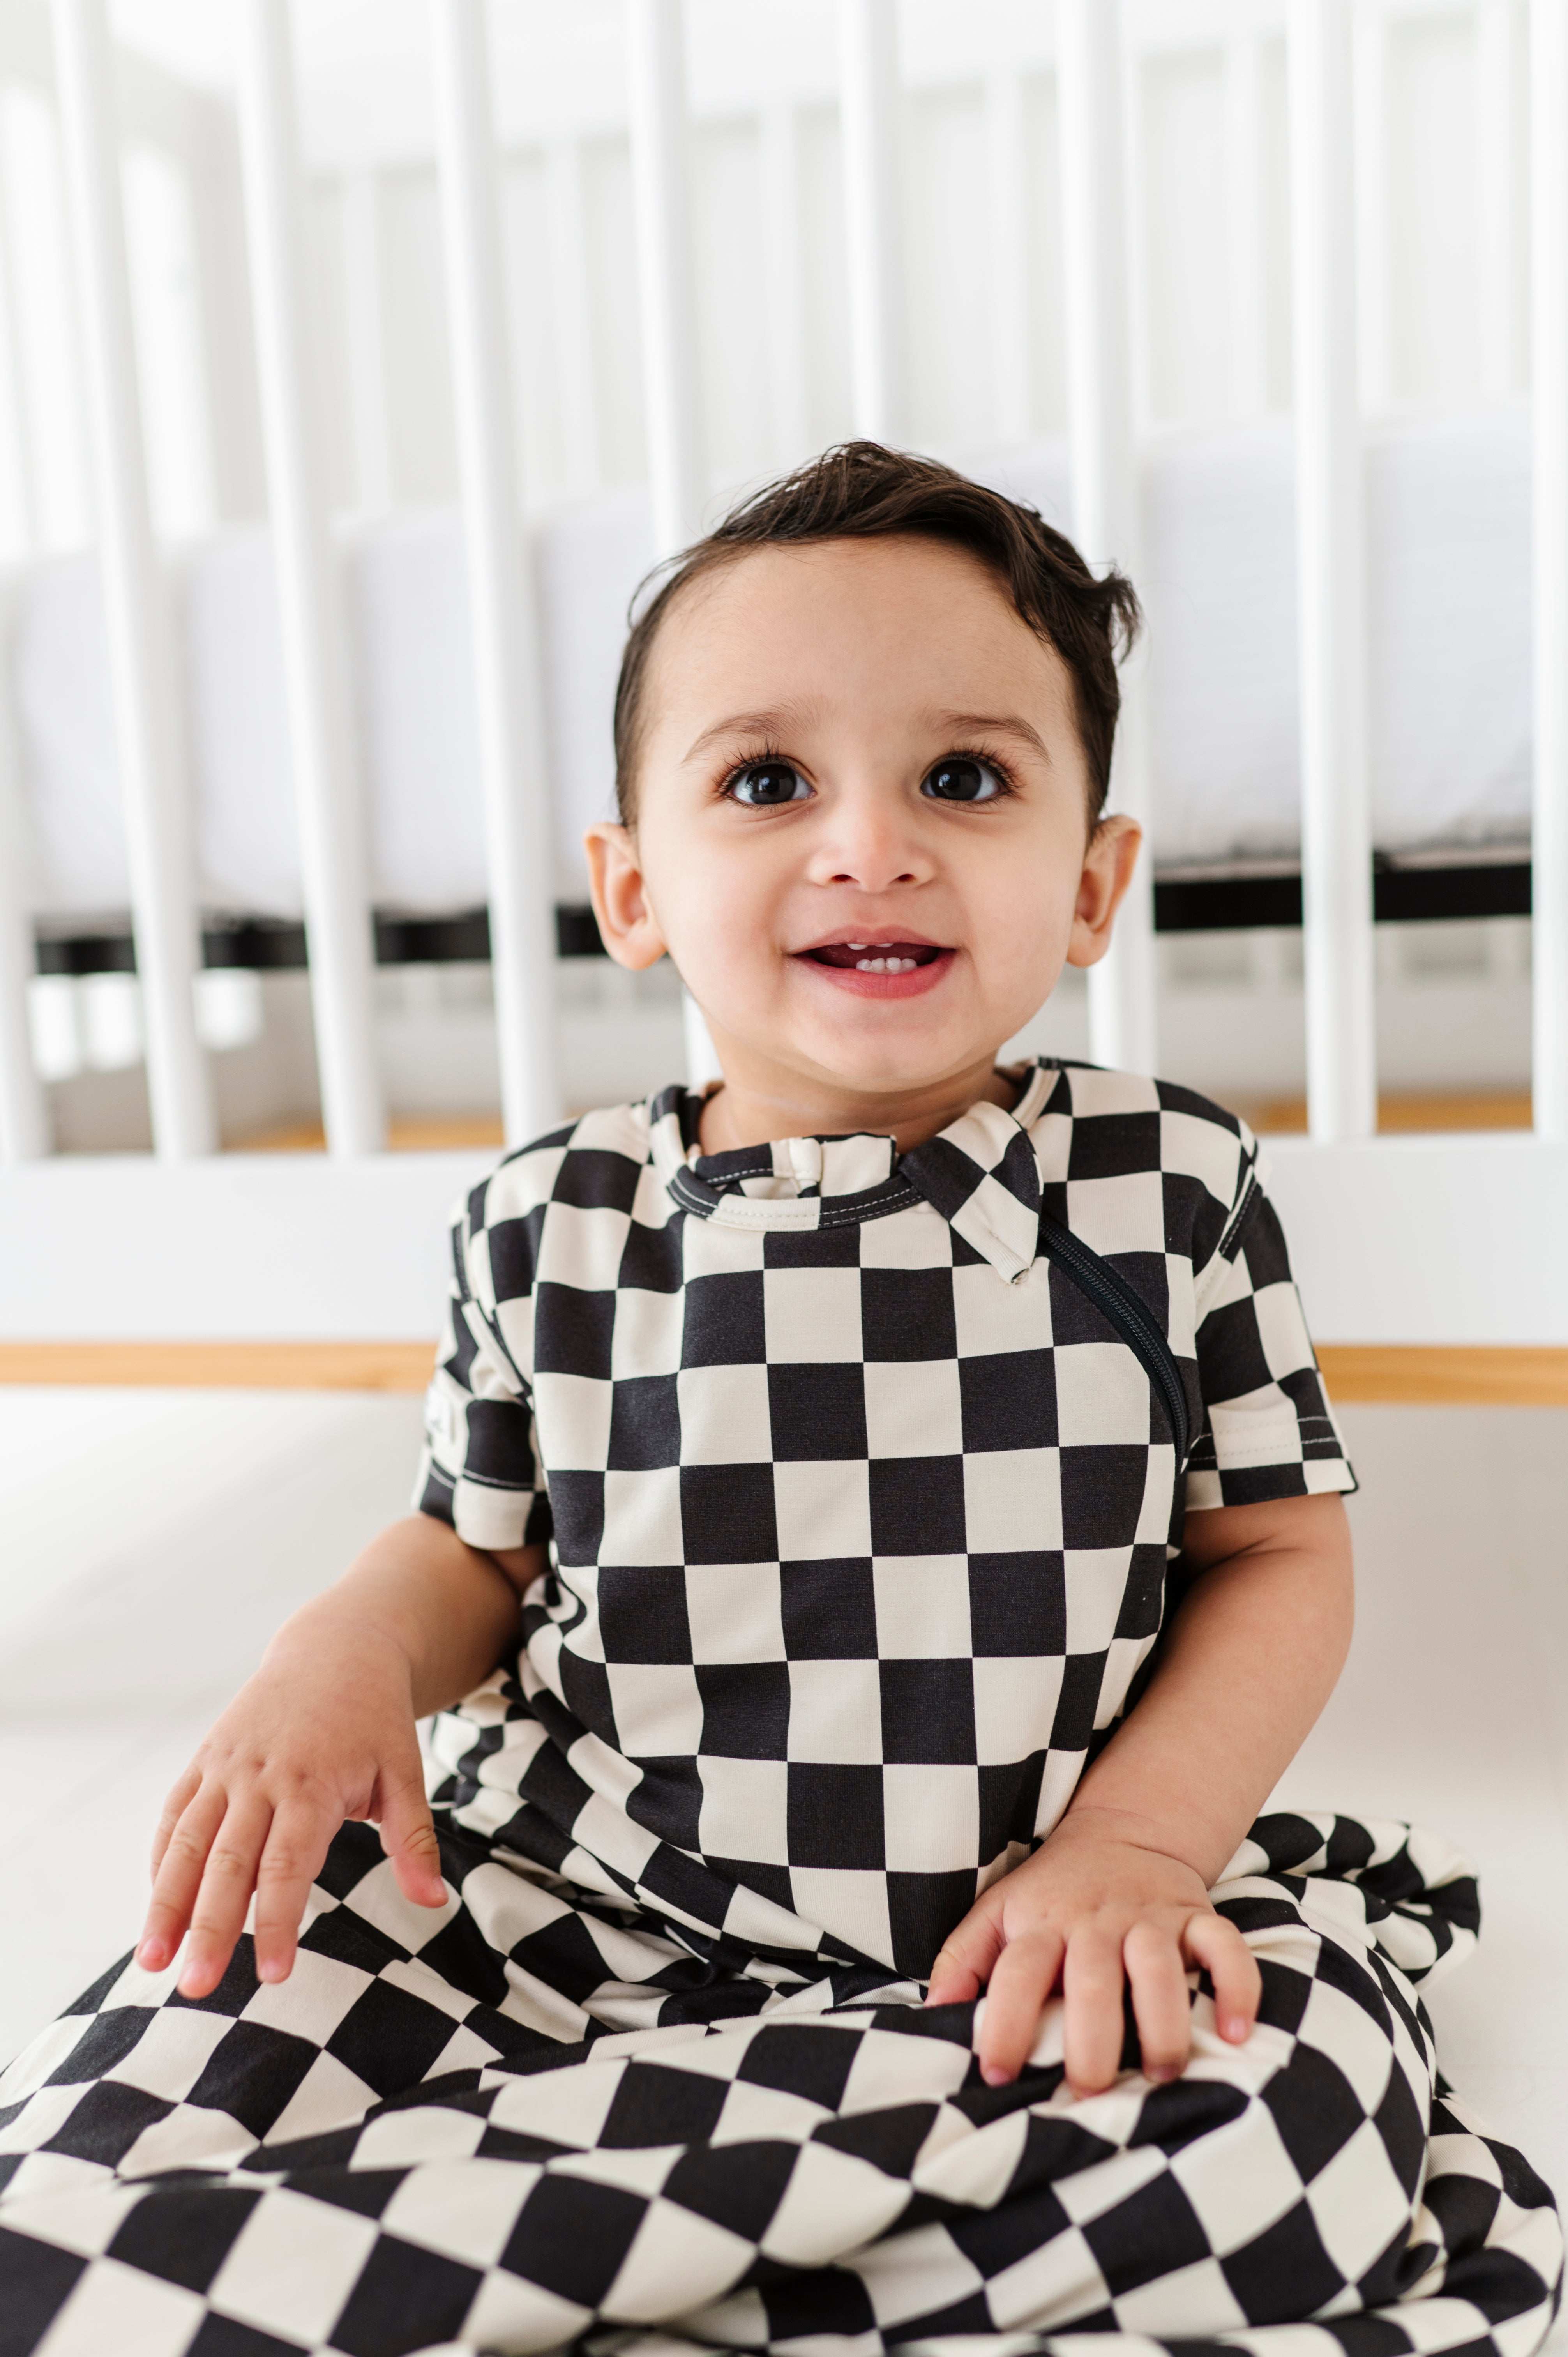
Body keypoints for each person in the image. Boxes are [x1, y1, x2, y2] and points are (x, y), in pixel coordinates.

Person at [1, 445, 1558, 2357]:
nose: (870, 846)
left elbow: (1276, 1556)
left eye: (962, 780)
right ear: (632, 889)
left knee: (1288, 2125)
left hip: (1001, 1936)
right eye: (766, 783)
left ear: (1091, 884)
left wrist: (1139, 1855)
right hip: (559, 1905)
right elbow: (470, 1557)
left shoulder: (1160, 1191)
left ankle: (467, 2251)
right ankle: (709, 2229)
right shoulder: (552, 1219)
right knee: (160, 2071)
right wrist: (342, 1652)